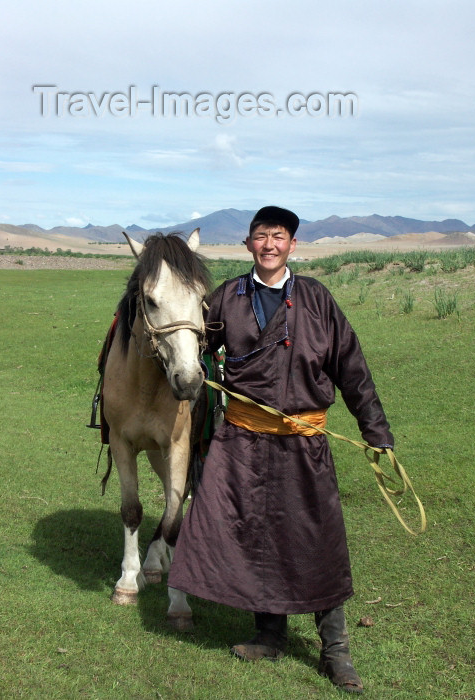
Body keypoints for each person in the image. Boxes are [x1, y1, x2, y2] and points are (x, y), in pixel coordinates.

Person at [168, 206, 394, 694]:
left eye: (279, 236)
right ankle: (268, 633)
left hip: (304, 443)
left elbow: (351, 366)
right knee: (252, 534)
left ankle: (335, 651)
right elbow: (191, 345)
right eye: (260, 236)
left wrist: (376, 431)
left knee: (318, 541)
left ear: (293, 245)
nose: (269, 244)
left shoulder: (316, 299)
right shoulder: (227, 297)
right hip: (242, 440)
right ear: (247, 244)